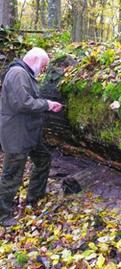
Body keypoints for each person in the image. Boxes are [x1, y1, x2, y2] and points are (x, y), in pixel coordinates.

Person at [0, 47, 63, 227]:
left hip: (28, 133)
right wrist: (48, 105)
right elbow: (22, 103)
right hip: (17, 134)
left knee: (43, 158)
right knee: (11, 176)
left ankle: (34, 197)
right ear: (34, 60)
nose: (43, 70)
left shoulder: (24, 73)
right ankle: (2, 215)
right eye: (43, 66)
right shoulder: (18, 73)